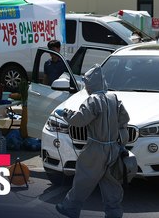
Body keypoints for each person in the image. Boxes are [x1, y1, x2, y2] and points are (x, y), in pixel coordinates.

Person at [55, 64, 130, 218]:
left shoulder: (93, 100)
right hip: (113, 148)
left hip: (96, 148)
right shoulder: (114, 98)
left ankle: (71, 208)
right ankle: (114, 213)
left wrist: (66, 114)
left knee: (83, 178)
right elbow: (125, 119)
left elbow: (80, 120)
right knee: (110, 182)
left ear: (91, 83)